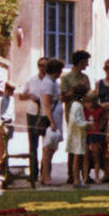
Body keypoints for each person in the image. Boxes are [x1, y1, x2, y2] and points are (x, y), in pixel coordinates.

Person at [60, 50, 91, 184]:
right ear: (81, 62)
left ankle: (85, 174)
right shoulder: (66, 78)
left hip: (84, 112)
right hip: (72, 113)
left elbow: (89, 95)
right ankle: (72, 174)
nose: (87, 64)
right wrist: (75, 90)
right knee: (74, 144)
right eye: (86, 62)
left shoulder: (86, 77)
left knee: (84, 144)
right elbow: (62, 97)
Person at [18, 57, 48, 185]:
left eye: (44, 65)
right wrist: (29, 96)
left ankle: (45, 172)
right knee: (33, 145)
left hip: (45, 114)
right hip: (32, 113)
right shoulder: (31, 80)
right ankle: (33, 173)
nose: (42, 67)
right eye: (40, 65)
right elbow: (20, 95)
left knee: (46, 145)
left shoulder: (51, 81)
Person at [39, 58, 65, 186]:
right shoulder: (48, 83)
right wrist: (52, 122)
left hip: (56, 116)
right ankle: (46, 175)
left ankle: (45, 174)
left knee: (52, 148)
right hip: (52, 117)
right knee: (48, 149)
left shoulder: (53, 82)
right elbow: (47, 104)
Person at [66, 81, 89, 187]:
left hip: (77, 135)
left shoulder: (76, 105)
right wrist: (87, 124)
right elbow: (76, 121)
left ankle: (77, 179)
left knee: (78, 157)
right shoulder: (77, 106)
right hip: (77, 136)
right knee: (77, 157)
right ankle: (76, 179)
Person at [83, 89, 106, 183]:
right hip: (86, 135)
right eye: (87, 103)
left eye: (91, 102)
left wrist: (100, 127)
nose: (89, 105)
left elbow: (104, 118)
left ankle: (96, 176)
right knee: (86, 157)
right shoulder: (83, 111)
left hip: (96, 135)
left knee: (96, 156)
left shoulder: (99, 110)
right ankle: (85, 176)